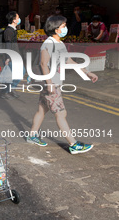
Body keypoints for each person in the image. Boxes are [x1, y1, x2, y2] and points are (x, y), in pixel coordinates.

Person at [27, 15, 98, 154]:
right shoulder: (48, 43)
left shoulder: (59, 43)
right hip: (51, 83)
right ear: (56, 29)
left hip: (52, 83)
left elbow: (69, 61)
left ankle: (32, 136)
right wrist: (50, 84)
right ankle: (73, 144)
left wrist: (87, 72)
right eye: (63, 26)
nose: (66, 28)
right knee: (61, 113)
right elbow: (43, 64)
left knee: (42, 110)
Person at [2, 11, 23, 99]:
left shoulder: (13, 30)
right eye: (18, 17)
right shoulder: (8, 31)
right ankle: (5, 92)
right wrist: (8, 58)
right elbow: (8, 45)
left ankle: (10, 89)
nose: (19, 19)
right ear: (14, 20)